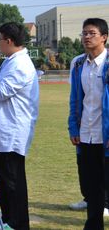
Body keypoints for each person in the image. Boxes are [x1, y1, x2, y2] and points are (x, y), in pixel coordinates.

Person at [0, 22, 39, 230]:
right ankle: (7, 217)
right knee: (1, 171)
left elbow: (1, 91)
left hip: (14, 128)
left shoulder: (21, 64)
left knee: (12, 177)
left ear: (9, 41)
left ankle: (18, 222)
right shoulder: (11, 61)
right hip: (4, 127)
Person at [68, 18, 109, 229]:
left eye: (91, 33)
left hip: (106, 135)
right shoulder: (78, 63)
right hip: (87, 134)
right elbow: (75, 99)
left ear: (104, 37)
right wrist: (73, 127)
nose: (86, 37)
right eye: (84, 33)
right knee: (92, 188)